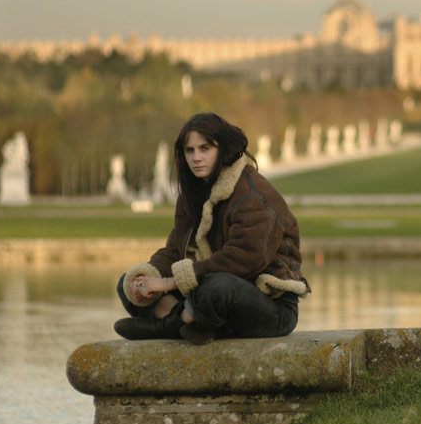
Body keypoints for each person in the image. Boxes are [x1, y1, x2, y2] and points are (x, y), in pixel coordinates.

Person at [114, 113, 309, 345]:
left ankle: (170, 326)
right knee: (127, 281)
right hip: (209, 295)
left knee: (217, 287)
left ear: (222, 149)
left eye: (205, 148)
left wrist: (168, 283)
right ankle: (191, 322)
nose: (197, 158)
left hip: (271, 307)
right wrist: (148, 277)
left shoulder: (253, 194)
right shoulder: (191, 196)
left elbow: (243, 261)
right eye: (190, 150)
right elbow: (177, 249)